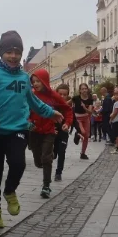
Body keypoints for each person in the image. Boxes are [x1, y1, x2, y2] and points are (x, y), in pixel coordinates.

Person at [0, 31, 61, 227]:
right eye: (9, 52)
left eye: (17, 52)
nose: (13, 56)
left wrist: (51, 112)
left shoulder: (25, 78)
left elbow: (34, 102)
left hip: (17, 129)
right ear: (1, 52)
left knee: (18, 164)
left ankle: (9, 190)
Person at [28, 70, 73, 199]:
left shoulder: (54, 96)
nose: (35, 84)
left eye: (38, 81)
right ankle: (45, 157)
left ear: (45, 81)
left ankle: (46, 186)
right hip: (34, 131)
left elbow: (67, 109)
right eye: (33, 81)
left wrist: (67, 123)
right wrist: (28, 121)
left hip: (49, 131)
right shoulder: (31, 95)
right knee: (38, 161)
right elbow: (24, 109)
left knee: (46, 158)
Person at [71, 83, 94, 161]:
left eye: (85, 88)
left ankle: (83, 153)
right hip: (78, 118)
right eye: (82, 89)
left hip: (86, 118)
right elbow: (67, 103)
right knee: (83, 132)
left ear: (87, 89)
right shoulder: (76, 98)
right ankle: (77, 133)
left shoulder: (90, 99)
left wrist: (85, 107)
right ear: (80, 90)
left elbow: (90, 112)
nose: (84, 90)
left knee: (86, 136)